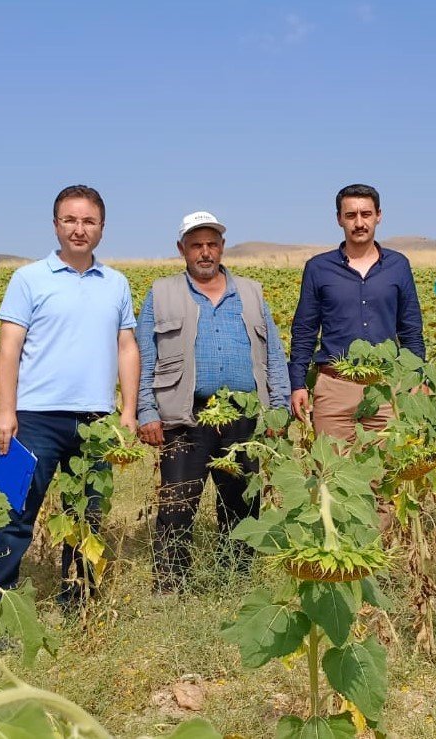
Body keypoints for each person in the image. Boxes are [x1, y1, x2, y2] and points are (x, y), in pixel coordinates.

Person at [0, 185, 139, 602]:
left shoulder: (116, 283)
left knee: (87, 515)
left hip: (95, 420)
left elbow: (127, 347)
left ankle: (78, 603)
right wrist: (4, 412)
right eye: (69, 220)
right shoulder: (28, 278)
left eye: (88, 221)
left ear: (102, 228)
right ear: (55, 225)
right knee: (10, 513)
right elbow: (8, 348)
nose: (78, 229)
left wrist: (127, 411)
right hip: (32, 417)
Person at [135, 211, 291, 592]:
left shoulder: (251, 292)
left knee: (241, 502)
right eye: (196, 245)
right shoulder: (162, 292)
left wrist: (279, 406)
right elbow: (144, 355)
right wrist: (146, 409)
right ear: (181, 250)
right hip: (186, 414)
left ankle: (234, 580)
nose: (205, 252)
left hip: (244, 414)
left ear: (222, 247)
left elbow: (272, 353)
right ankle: (171, 587)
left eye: (211, 244)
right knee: (177, 503)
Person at [289, 184, 425, 441]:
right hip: (334, 388)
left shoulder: (398, 266)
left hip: (385, 388)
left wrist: (416, 375)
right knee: (334, 471)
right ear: (339, 218)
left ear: (378, 215)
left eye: (366, 214)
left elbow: (410, 328)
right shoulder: (319, 268)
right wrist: (297, 383)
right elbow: (305, 330)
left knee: (383, 474)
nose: (359, 222)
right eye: (351, 215)